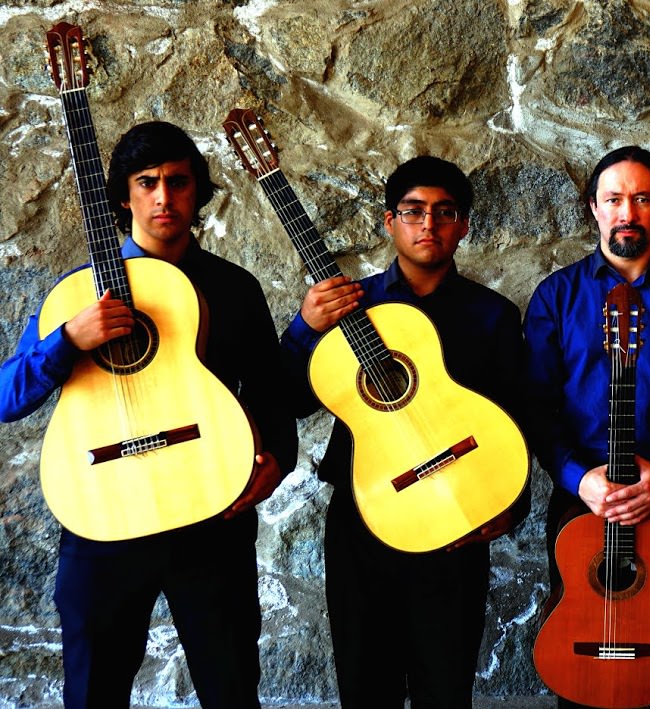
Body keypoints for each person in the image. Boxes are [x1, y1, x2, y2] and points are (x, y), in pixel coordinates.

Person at [0, 121, 298, 707]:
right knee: (94, 691)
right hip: (102, 510)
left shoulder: (235, 289)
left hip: (210, 511)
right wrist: (68, 339)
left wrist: (277, 462)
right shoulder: (77, 293)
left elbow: (270, 391)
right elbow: (9, 398)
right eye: (147, 182)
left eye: (179, 182)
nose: (164, 198)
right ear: (122, 195)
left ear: (198, 192)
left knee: (231, 684)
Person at [279, 155, 525, 708]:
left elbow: (517, 418)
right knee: (366, 683)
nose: (428, 225)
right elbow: (290, 400)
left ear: (463, 224)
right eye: (413, 212)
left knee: (446, 683)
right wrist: (302, 328)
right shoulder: (346, 308)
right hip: (365, 512)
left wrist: (511, 504)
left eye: (444, 213)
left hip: (457, 514)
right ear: (390, 222)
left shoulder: (494, 317)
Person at [522, 145, 650, 706]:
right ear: (593, 207)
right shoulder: (556, 297)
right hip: (580, 506)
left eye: (641, 199)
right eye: (614, 199)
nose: (627, 213)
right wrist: (578, 478)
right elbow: (536, 406)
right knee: (583, 661)